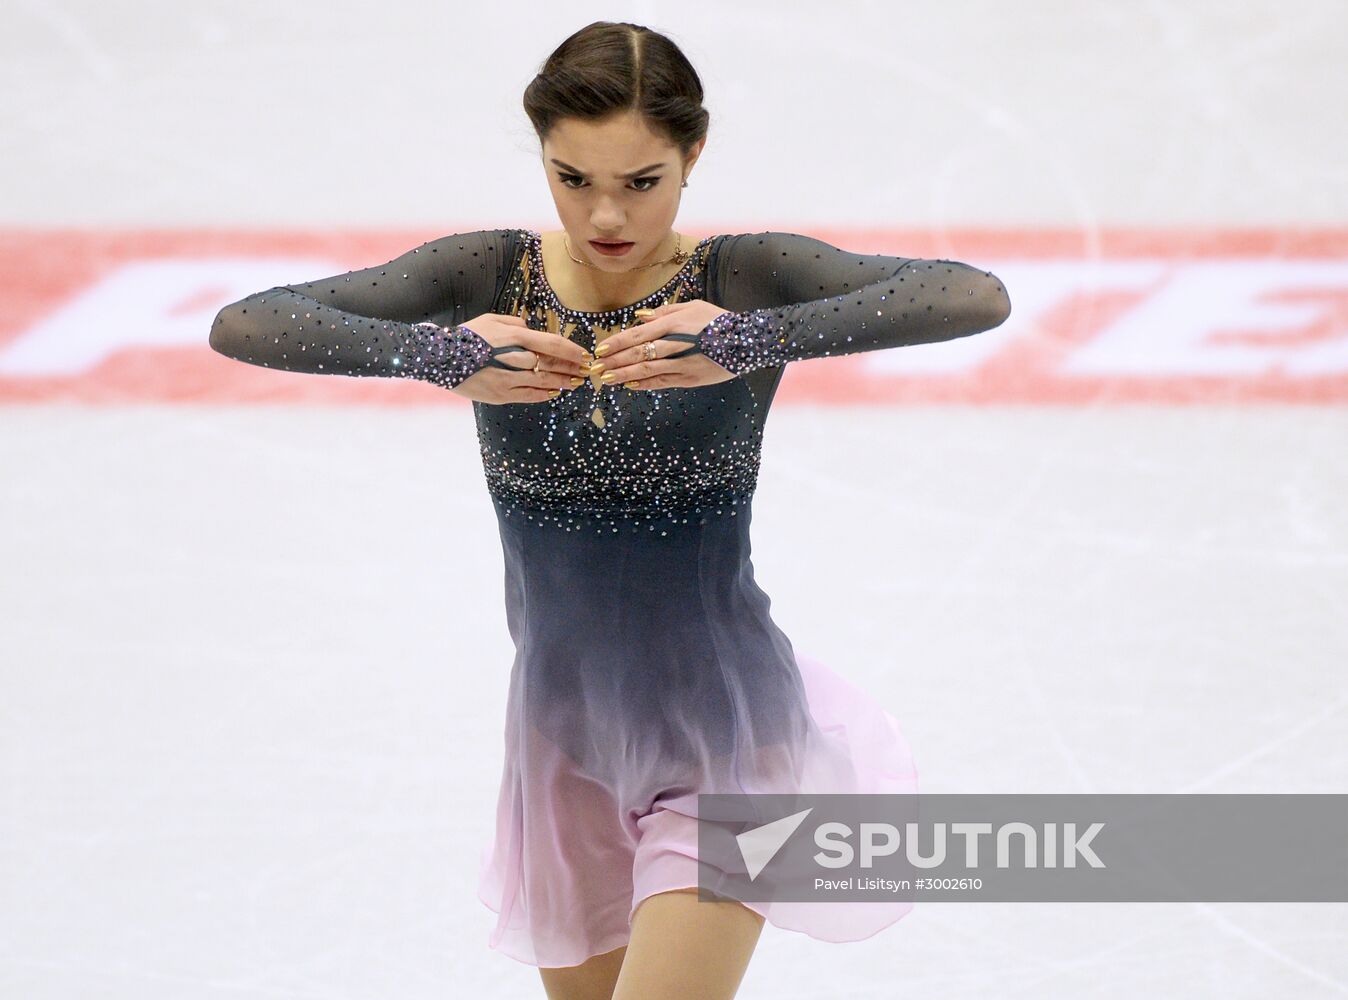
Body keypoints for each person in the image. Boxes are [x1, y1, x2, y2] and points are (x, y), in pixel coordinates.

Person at [209, 19, 1011, 1000]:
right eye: (571, 177)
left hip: (727, 740)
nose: (605, 216)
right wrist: (438, 354)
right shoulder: (489, 276)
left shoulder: (741, 280)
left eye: (640, 180)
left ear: (692, 155)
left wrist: (753, 337)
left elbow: (971, 295)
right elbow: (244, 321)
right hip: (563, 745)